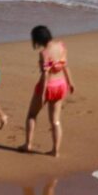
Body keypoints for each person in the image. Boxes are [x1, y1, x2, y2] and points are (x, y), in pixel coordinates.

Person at [22, 25, 76, 156]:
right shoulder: (61, 45)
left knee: (32, 115)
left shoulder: (44, 53)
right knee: (55, 120)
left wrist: (42, 93)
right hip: (61, 85)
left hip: (48, 86)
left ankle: (28, 144)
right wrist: (70, 82)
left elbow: (45, 74)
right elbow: (65, 65)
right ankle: (55, 151)